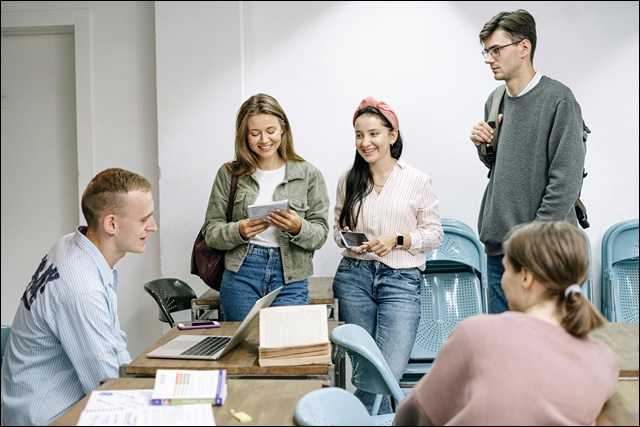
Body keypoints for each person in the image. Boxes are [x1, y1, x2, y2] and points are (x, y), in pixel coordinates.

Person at [395, 220, 618, 426]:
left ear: (525, 277)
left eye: (506, 269)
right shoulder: (603, 359)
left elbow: (413, 416)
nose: (502, 279)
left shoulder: (478, 334)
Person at [1, 167, 158, 426]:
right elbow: (108, 387)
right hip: (49, 416)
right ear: (111, 224)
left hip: (43, 402)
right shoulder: (81, 289)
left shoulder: (71, 244)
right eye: (144, 219)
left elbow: (112, 345)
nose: (153, 226)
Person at [469, 9, 587, 314]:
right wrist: (485, 148)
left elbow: (566, 181)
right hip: (500, 252)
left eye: (496, 49)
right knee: (504, 351)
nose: (488, 58)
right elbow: (503, 168)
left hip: (544, 254)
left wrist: (530, 242)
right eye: (486, 50)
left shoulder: (559, 100)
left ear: (524, 47)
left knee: (548, 351)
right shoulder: (494, 100)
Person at [333, 96, 443, 414]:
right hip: (354, 278)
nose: (365, 142)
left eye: (373, 134)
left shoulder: (417, 180)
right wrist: (350, 242)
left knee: (386, 374)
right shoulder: (348, 180)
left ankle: (348, 419)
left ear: (392, 135)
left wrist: (398, 239)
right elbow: (337, 231)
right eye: (358, 135)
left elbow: (434, 235)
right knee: (365, 372)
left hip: (401, 281)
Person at [203, 93, 330, 321]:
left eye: (270, 131)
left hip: (291, 276)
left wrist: (298, 227)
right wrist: (239, 231)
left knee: (286, 351)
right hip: (241, 273)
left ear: (283, 128)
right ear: (244, 135)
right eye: (254, 133)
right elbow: (211, 232)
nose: (263, 140)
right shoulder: (229, 174)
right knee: (239, 352)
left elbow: (320, 234)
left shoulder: (308, 174)